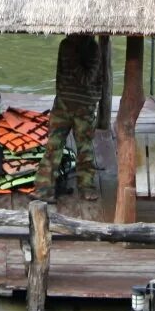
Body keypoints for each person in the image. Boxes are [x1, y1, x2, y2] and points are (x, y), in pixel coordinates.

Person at [39, 34, 104, 200]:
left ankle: (86, 186)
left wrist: (73, 57)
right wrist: (62, 95)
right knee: (53, 146)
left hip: (84, 106)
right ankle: (44, 188)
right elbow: (60, 73)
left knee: (85, 148)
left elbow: (87, 79)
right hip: (64, 103)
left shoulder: (92, 48)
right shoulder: (65, 45)